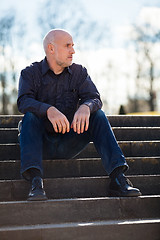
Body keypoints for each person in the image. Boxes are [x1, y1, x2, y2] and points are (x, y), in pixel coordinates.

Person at [17, 29, 141, 201]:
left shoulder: (79, 72)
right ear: (51, 49)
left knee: (98, 115)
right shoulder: (30, 73)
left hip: (70, 142)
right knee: (29, 118)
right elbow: (23, 101)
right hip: (41, 143)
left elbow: (94, 98)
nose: (73, 51)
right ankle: (36, 183)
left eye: (73, 46)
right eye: (67, 46)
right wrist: (48, 110)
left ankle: (118, 179)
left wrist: (86, 107)